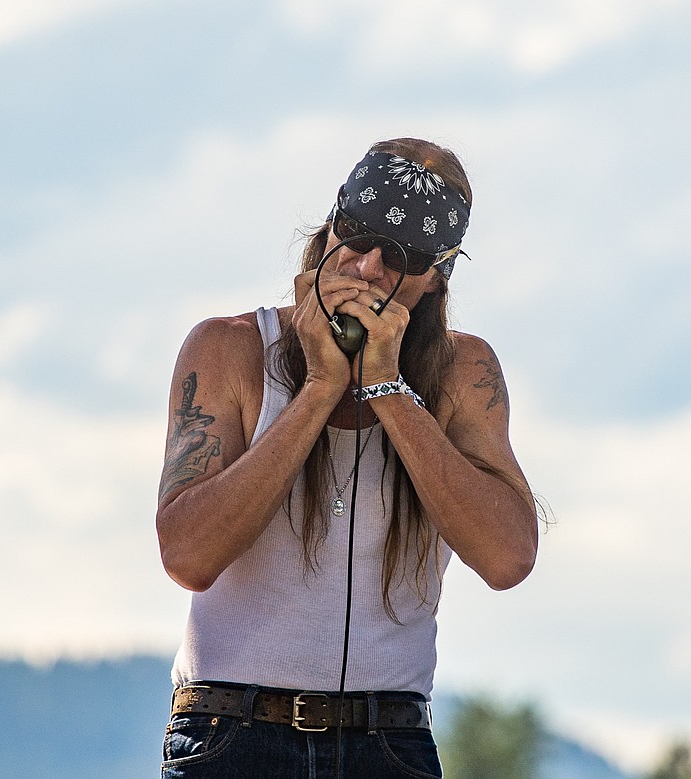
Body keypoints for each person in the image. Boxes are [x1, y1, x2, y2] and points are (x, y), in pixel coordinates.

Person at [155, 137, 538, 778]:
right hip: (232, 733)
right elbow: (188, 557)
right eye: (356, 237)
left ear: (436, 274)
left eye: (401, 258)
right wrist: (318, 392)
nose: (367, 270)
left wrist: (388, 388)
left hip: (386, 739)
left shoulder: (460, 372)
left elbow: (507, 557)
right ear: (330, 226)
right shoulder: (229, 350)